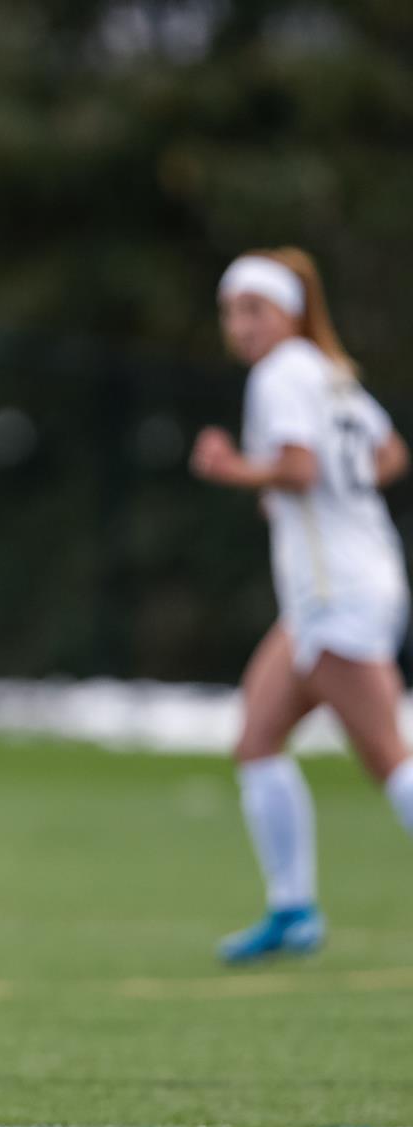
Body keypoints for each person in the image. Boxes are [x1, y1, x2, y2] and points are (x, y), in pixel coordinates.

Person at [190, 247, 411, 964]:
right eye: (232, 311)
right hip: (347, 582)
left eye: (255, 309)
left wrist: (235, 470)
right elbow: (389, 454)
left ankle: (293, 908)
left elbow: (298, 465)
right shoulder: (330, 374)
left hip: (335, 591)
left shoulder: (282, 374)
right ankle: (292, 909)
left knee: (388, 758)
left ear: (288, 313)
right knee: (257, 736)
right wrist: (323, 498)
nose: (242, 325)